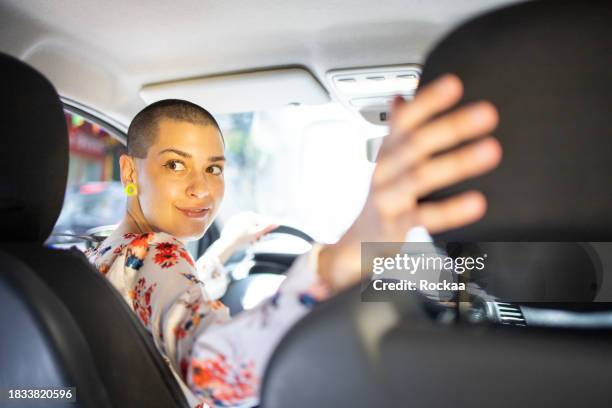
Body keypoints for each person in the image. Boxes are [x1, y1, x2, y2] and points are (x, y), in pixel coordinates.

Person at [86, 73, 501, 407]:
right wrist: (340, 260)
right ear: (128, 174)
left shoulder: (104, 253)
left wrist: (227, 246)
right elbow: (211, 366)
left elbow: (169, 299)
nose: (203, 189)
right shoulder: (159, 255)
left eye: (214, 169)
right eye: (176, 165)